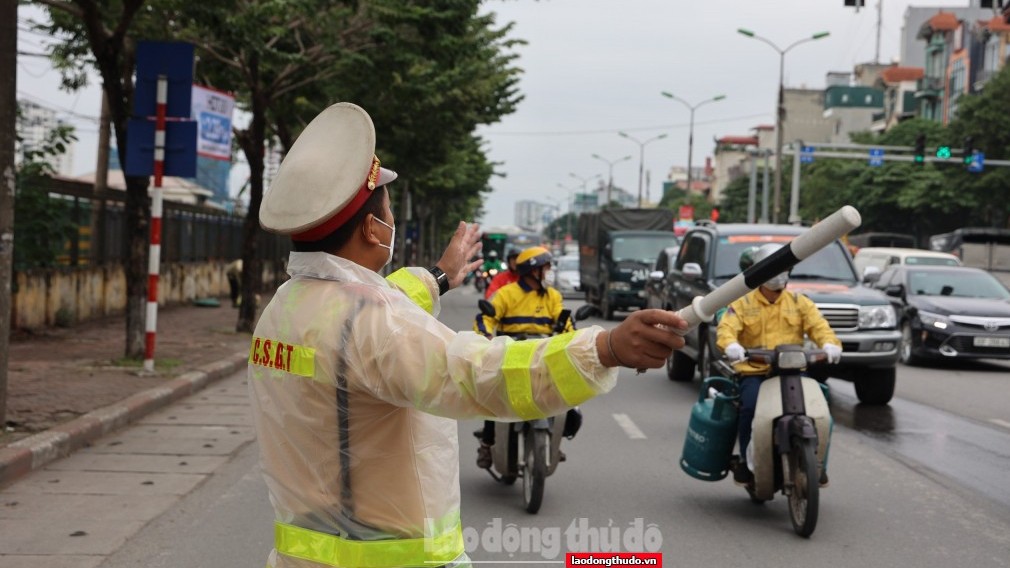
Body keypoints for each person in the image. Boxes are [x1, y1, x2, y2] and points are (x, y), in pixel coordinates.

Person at [249, 102, 688, 568]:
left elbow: (365, 324)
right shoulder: (373, 324)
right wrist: (604, 349)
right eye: (388, 210)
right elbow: (479, 373)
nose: (391, 221)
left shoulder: (286, 308)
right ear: (372, 229)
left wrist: (439, 277)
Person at [716, 243, 842, 488]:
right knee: (750, 408)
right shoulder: (742, 303)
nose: (779, 274)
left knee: (819, 413)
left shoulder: (799, 302)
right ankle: (744, 460)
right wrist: (731, 345)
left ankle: (816, 464)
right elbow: (726, 329)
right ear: (758, 271)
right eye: (773, 268)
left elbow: (820, 327)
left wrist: (830, 344)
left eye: (785, 268)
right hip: (755, 372)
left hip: (792, 372)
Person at [472, 245, 573, 468]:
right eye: (545, 269)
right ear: (533, 271)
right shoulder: (506, 294)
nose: (548, 274)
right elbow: (486, 318)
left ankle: (553, 442)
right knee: (495, 401)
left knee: (571, 406)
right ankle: (487, 444)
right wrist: (486, 336)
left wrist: (575, 339)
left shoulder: (553, 296)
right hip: (511, 356)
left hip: (544, 356)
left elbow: (564, 322)